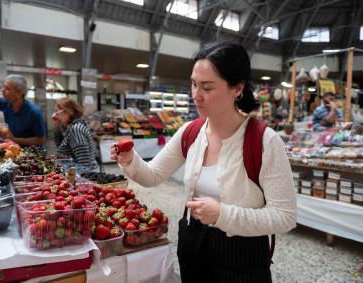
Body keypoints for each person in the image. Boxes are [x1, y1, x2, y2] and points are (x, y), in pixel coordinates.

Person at [110, 42, 296, 282]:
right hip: (192, 243)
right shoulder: (191, 131)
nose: (195, 95)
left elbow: (285, 216)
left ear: (237, 88)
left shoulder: (264, 141)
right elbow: (153, 175)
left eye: (207, 87)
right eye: (194, 84)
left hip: (242, 255)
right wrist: (130, 160)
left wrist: (222, 215)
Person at [52, 97, 98, 172]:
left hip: (82, 178)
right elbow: (60, 146)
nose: (55, 115)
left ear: (68, 112)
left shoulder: (76, 129)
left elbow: (84, 164)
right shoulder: (71, 127)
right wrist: (56, 125)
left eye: (57, 111)